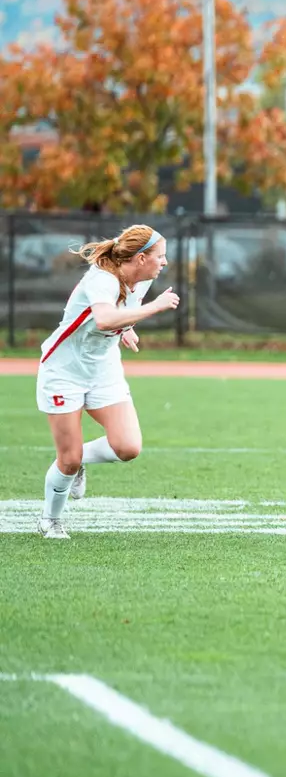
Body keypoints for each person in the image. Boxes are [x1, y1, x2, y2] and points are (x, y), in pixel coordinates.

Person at [35, 224, 179, 540]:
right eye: (160, 256)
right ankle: (51, 519)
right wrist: (152, 308)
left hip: (103, 369)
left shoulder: (139, 278)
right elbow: (102, 318)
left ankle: (78, 461)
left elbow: (116, 314)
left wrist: (125, 328)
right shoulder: (102, 279)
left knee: (128, 447)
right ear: (140, 258)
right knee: (67, 459)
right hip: (64, 372)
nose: (164, 263)